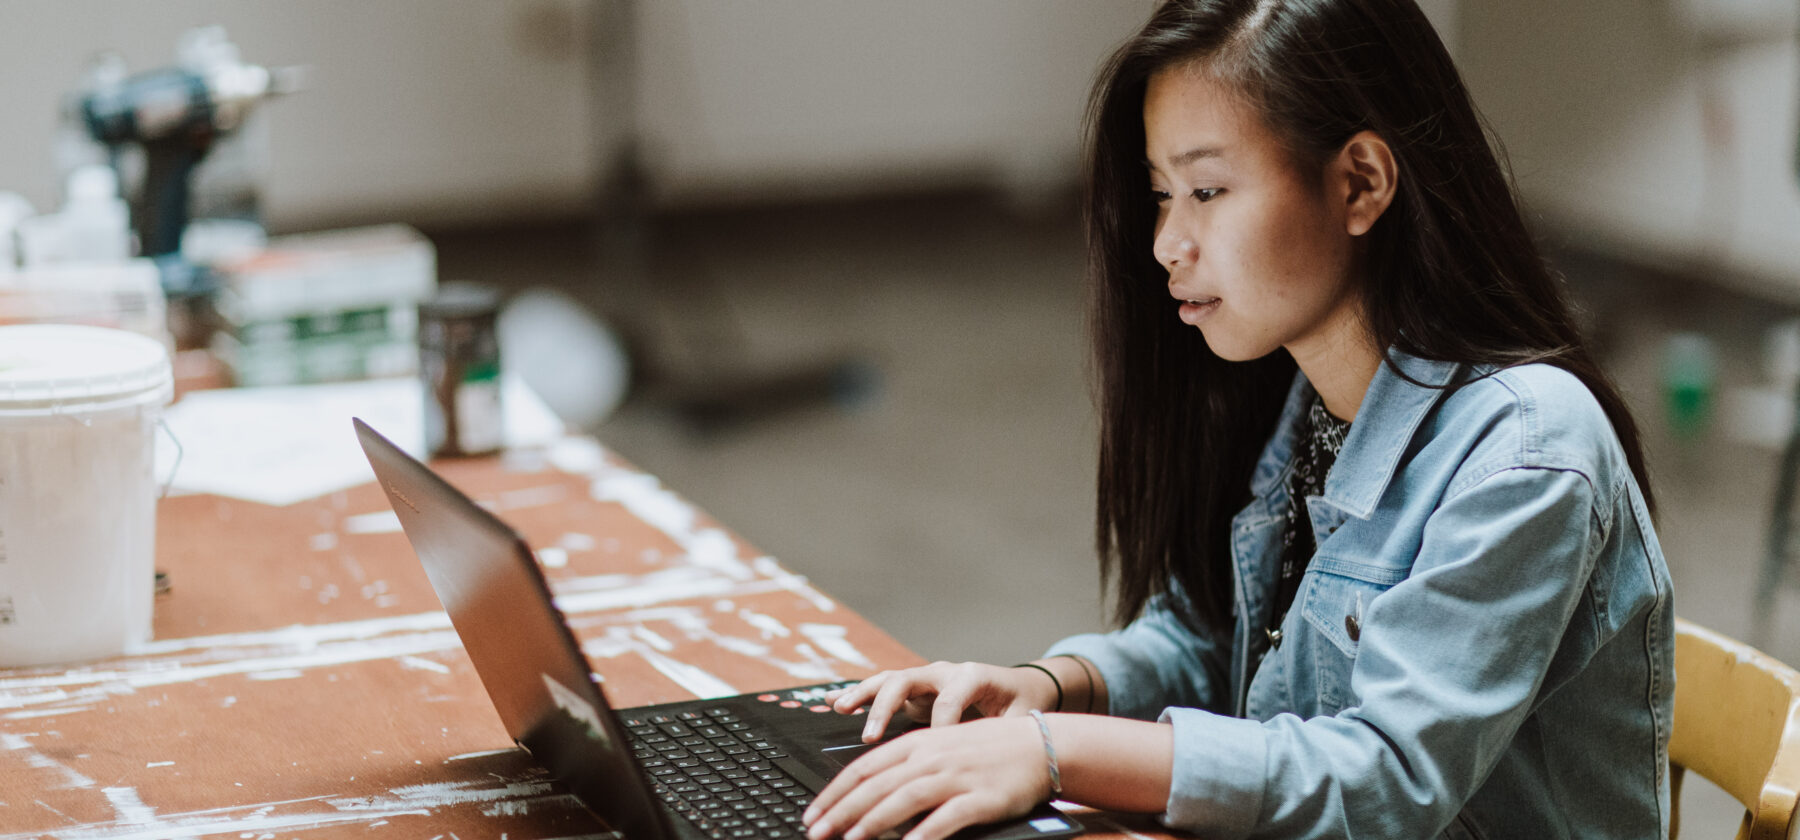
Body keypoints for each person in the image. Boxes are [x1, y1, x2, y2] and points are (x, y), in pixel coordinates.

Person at [798, 0, 1675, 838]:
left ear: (1361, 183)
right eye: (1160, 195)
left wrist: (1057, 753)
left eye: (1208, 192)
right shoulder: (1304, 393)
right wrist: (1052, 689)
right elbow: (1219, 634)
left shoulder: (1525, 450)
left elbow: (1382, 782)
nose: (1166, 244)